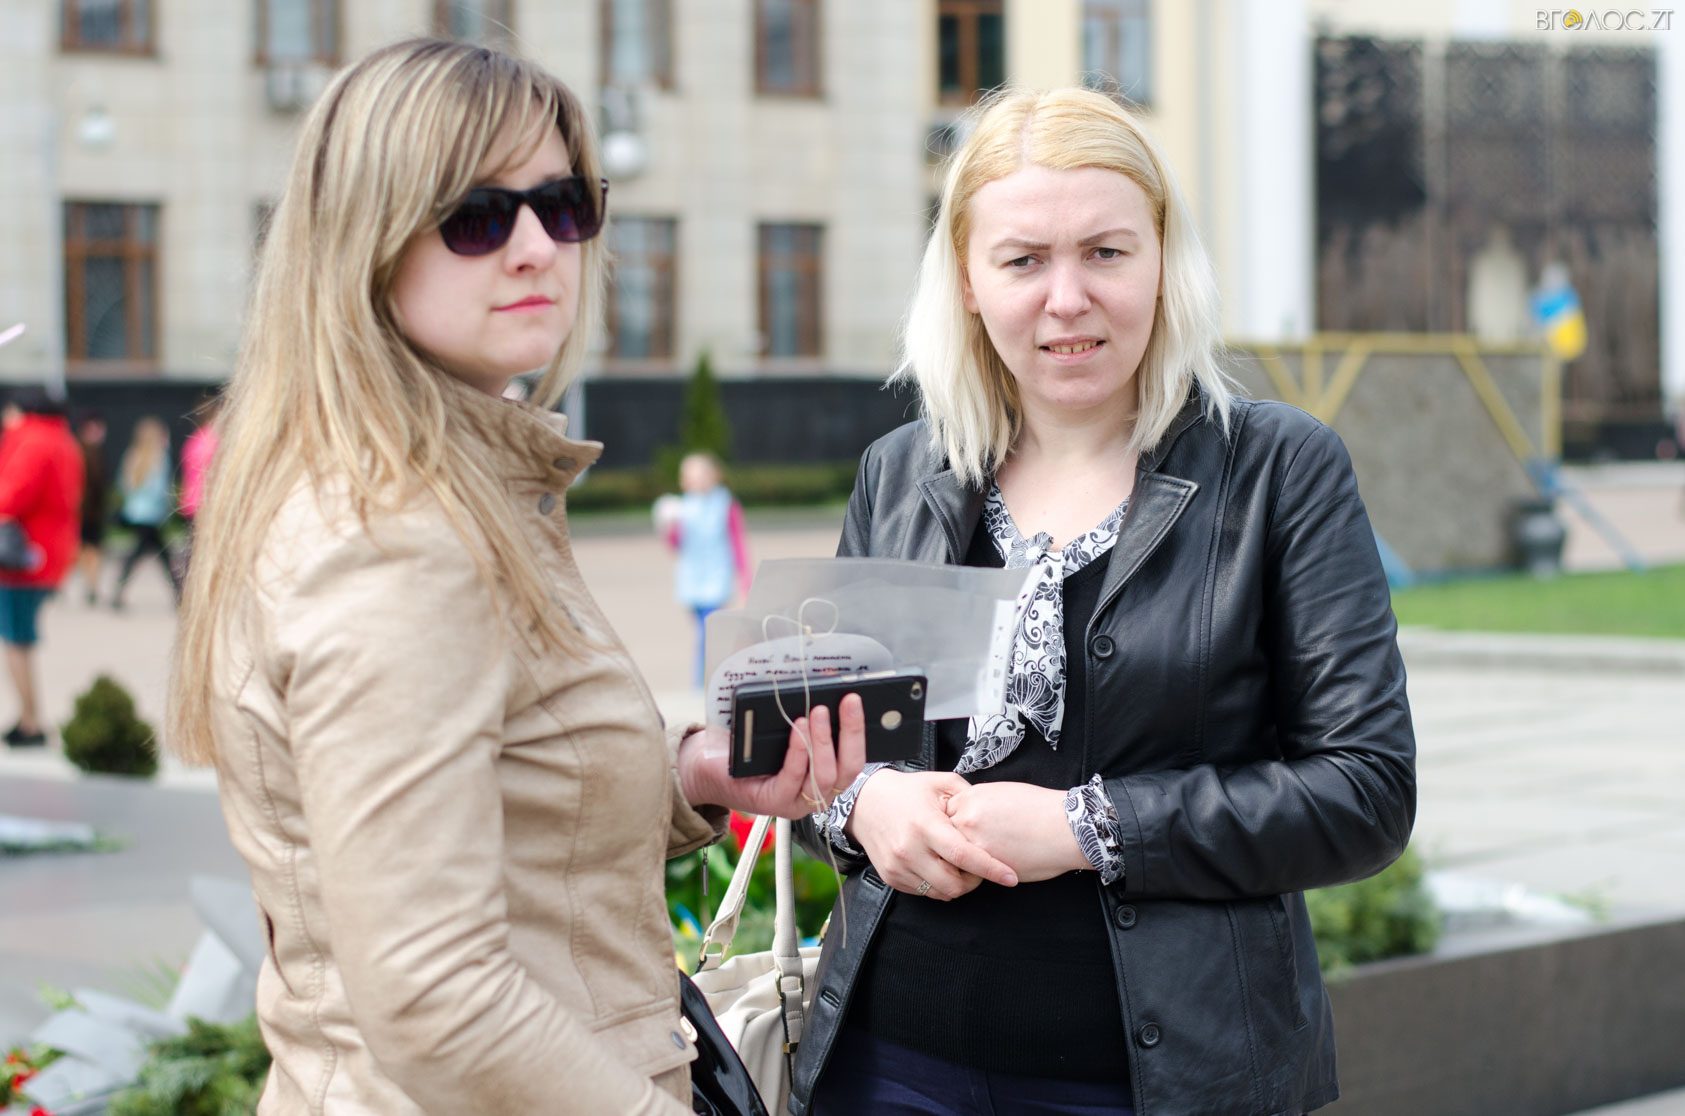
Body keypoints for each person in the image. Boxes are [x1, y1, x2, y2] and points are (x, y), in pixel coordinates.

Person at [164, 38, 865, 1115]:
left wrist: (696, 775)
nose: (538, 247)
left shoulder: (448, 484)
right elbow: (432, 994)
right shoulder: (395, 538)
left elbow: (509, 807)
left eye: (562, 202)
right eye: (477, 215)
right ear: (365, 241)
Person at [793, 88, 1417, 1116]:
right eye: (1022, 260)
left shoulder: (1275, 469)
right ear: (966, 281)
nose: (1066, 298)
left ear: (1163, 258)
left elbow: (1364, 791)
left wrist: (1086, 826)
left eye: (1105, 253)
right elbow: (821, 754)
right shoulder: (900, 473)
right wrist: (865, 804)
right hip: (887, 1064)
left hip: (1158, 1084)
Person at [0, 389, 85, 748]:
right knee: (21, 637)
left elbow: (12, 494)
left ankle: (30, 720)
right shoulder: (63, 439)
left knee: (16, 639)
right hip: (49, 553)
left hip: (21, 558)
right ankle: (28, 716)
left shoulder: (31, 440)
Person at [660, 451, 751, 686]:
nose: (696, 481)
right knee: (705, 632)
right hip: (692, 579)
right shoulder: (682, 507)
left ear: (714, 475)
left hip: (716, 577)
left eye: (701, 475)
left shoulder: (726, 504)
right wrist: (669, 525)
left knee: (708, 630)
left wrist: (745, 579)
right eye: (691, 477)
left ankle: (703, 682)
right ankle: (707, 680)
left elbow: (738, 543)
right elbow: (675, 545)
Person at [110, 415, 182, 609]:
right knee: (161, 556)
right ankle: (180, 594)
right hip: (152, 515)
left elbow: (123, 485)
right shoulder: (160, 458)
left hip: (135, 513)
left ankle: (119, 590)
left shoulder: (132, 456)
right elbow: (160, 489)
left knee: (146, 554)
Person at [72, 410, 109, 605]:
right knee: (86, 549)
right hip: (83, 510)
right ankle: (91, 584)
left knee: (91, 549)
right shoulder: (80, 452)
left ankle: (92, 584)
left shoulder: (95, 453)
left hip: (93, 511)